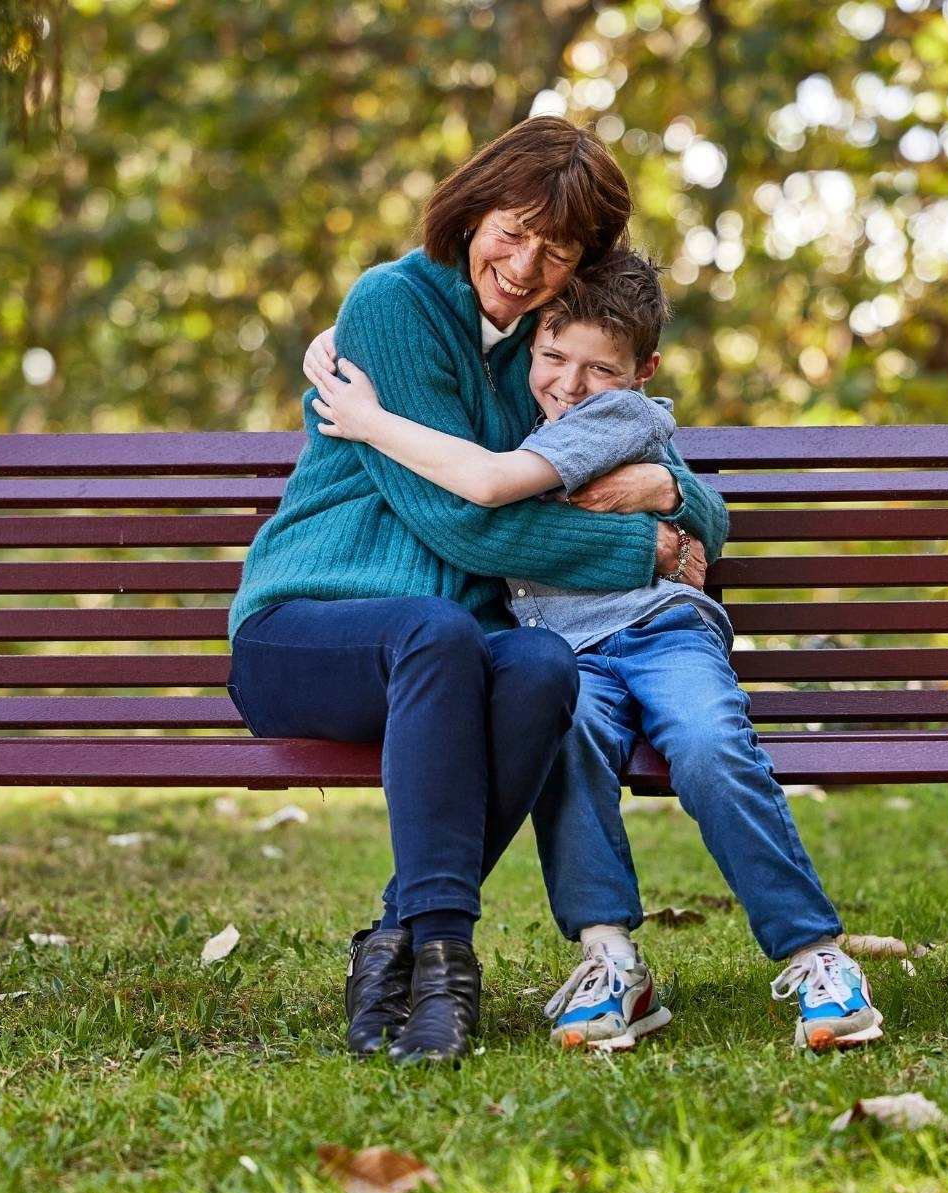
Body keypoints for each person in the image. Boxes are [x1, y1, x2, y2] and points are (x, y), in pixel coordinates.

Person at [228, 118, 728, 1065]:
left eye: (557, 249)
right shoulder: (389, 305)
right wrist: (640, 551)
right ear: (473, 208)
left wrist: (675, 496)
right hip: (306, 629)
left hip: (443, 646)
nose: (523, 261)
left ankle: (392, 948)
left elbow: (682, 484)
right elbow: (463, 523)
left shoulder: (552, 360)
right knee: (442, 632)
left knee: (541, 665)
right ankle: (449, 961)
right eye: (512, 227)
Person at [308, 248, 884, 1053]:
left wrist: (669, 491)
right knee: (567, 747)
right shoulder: (512, 413)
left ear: (644, 371)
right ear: (532, 342)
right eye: (553, 357)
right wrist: (349, 331)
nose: (570, 385)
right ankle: (611, 961)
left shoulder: (619, 421)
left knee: (711, 747)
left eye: (600, 369)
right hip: (565, 651)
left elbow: (506, 487)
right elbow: (447, 359)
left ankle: (818, 956)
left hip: (661, 632)